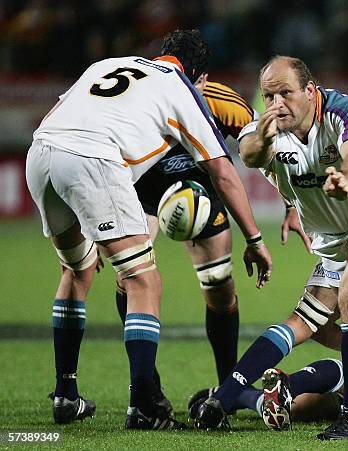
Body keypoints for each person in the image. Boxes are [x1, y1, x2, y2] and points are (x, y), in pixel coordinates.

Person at [25, 29, 271, 429]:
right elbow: (224, 172)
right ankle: (144, 404)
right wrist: (256, 238)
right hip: (104, 167)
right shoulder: (180, 87)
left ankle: (66, 395)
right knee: (143, 280)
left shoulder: (111, 65)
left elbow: (57, 117)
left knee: (78, 268)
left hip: (42, 153)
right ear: (200, 76)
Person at [193, 55, 348, 440]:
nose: (277, 104)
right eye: (269, 95)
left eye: (285, 93)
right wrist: (263, 138)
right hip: (333, 238)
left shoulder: (342, 109)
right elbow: (249, 155)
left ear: (309, 90)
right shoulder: (268, 130)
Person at [114, 41, 258, 413]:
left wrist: (290, 205)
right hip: (141, 191)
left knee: (220, 288)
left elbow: (264, 153)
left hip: (199, 197)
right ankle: (146, 387)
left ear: (204, 80)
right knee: (131, 279)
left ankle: (228, 391)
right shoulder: (136, 94)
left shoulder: (226, 104)